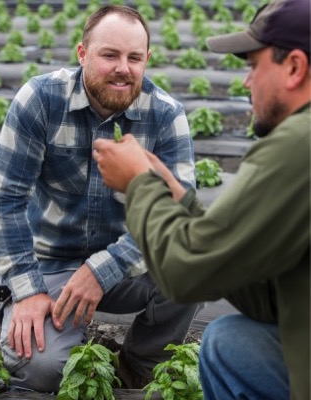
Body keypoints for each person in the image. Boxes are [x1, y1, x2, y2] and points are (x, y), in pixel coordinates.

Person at [93, 0, 310, 399]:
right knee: (230, 341)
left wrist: (139, 184)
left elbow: (186, 274)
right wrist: (179, 200)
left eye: (254, 65)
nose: (246, 83)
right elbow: (256, 289)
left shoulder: (299, 145)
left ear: (294, 67)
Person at [0, 5, 199, 393]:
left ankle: (138, 364)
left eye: (134, 58)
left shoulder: (165, 115)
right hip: (51, 262)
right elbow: (4, 198)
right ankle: (56, 332)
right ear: (83, 54)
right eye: (110, 55)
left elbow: (176, 212)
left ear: (147, 59)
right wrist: (27, 290)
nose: (123, 68)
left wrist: (103, 269)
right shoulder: (41, 100)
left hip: (130, 268)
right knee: (43, 371)